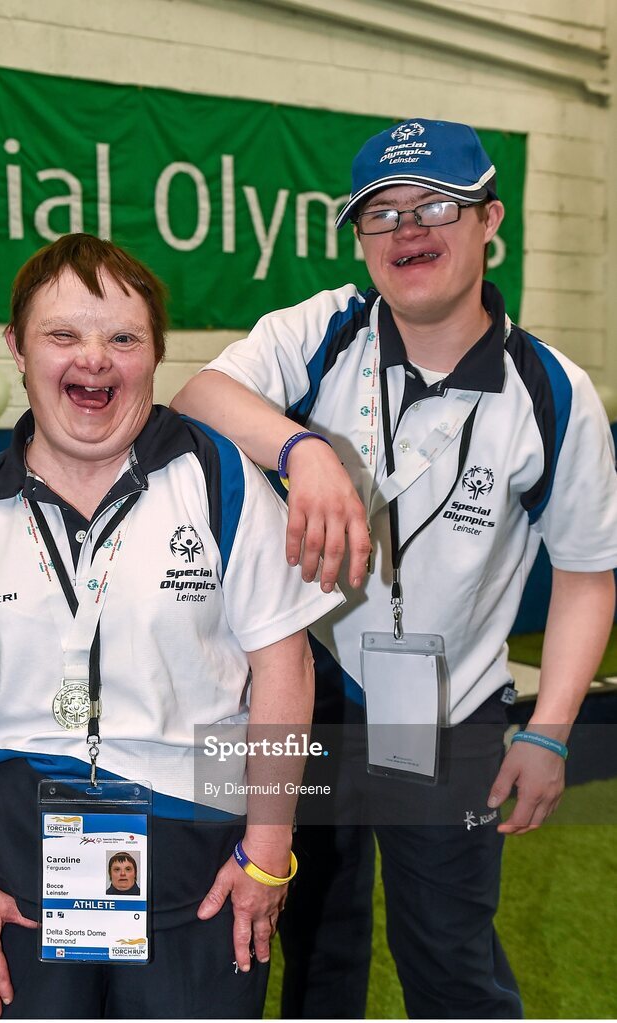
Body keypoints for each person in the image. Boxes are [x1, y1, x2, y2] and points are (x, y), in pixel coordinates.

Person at [172, 118, 617, 1018]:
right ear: (361, 239)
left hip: (448, 712)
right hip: (311, 687)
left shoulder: (554, 392)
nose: (408, 229)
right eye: (381, 214)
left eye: (436, 207)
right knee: (313, 943)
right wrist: (304, 450)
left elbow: (585, 572)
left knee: (449, 959)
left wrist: (551, 730)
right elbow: (197, 396)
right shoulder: (325, 328)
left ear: (490, 220)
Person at [0, 233, 342, 1020]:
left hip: (197, 860)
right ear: (17, 350)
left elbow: (283, 667)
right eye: (62, 334)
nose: (93, 358)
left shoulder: (220, 478)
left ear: (154, 355)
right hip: (20, 868)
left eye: (122, 338)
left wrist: (266, 852)